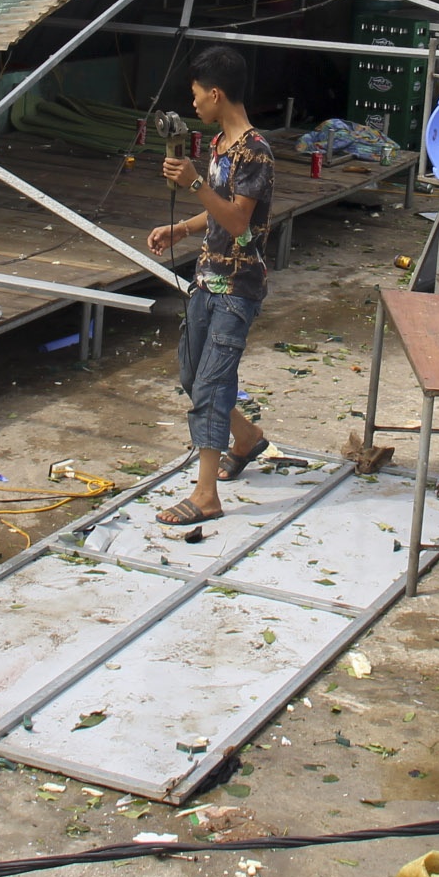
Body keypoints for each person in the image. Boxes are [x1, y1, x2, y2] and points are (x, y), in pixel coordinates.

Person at [144, 46, 275, 527]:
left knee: (213, 384)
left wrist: (195, 182)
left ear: (216, 94)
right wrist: (180, 229)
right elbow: (220, 209)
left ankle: (206, 495)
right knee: (191, 374)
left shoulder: (254, 151)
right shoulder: (220, 145)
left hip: (237, 287)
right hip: (206, 277)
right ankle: (246, 440)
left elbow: (240, 221)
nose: (193, 104)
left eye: (197, 95)